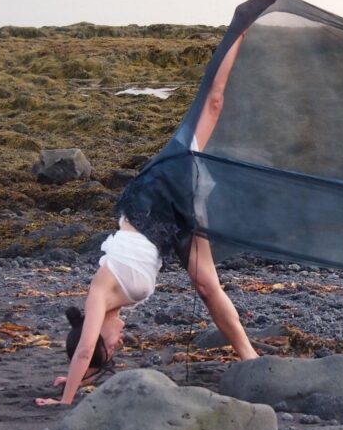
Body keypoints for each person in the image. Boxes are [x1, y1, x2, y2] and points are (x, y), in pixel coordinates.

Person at [35, 33, 257, 407]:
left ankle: (241, 26)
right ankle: (250, 357)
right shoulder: (113, 306)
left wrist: (66, 399)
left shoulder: (98, 297)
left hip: (155, 196)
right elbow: (88, 350)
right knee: (205, 286)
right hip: (167, 223)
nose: (121, 343)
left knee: (213, 105)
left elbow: (86, 344)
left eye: (113, 346)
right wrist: (79, 376)